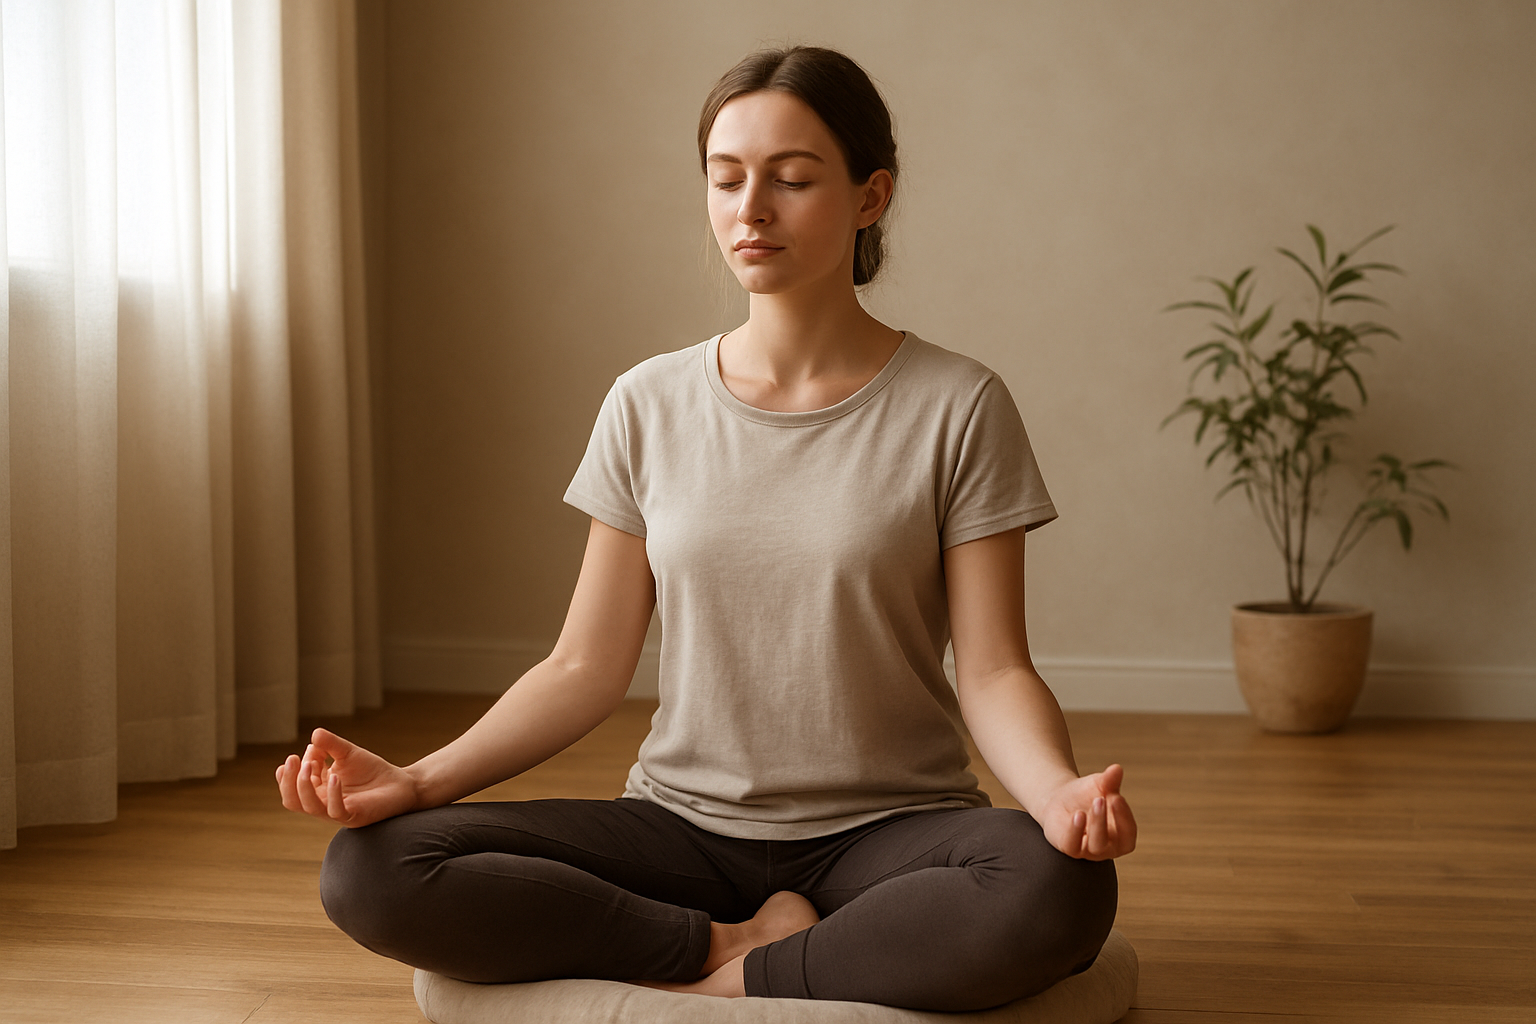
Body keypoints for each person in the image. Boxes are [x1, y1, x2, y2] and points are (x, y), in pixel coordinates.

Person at [275, 45, 1136, 1013]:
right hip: (680, 829)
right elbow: (582, 667)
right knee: (371, 869)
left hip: (890, 831)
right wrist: (418, 781)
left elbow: (992, 670)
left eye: (792, 179)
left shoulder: (960, 405)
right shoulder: (647, 403)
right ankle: (732, 944)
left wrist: (1058, 793)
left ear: (870, 197)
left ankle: (732, 979)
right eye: (726, 180)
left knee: (1061, 883)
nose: (750, 209)